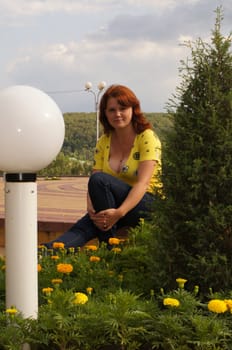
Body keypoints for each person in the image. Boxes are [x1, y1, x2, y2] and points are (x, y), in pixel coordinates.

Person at [43, 84, 161, 250]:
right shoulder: (104, 142)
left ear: (134, 109)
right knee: (85, 226)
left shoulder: (146, 137)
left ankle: (107, 247)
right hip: (115, 204)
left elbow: (143, 183)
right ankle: (45, 253)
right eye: (111, 110)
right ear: (105, 113)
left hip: (148, 204)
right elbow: (95, 179)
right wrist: (91, 207)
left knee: (100, 181)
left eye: (123, 108)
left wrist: (119, 213)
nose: (117, 114)